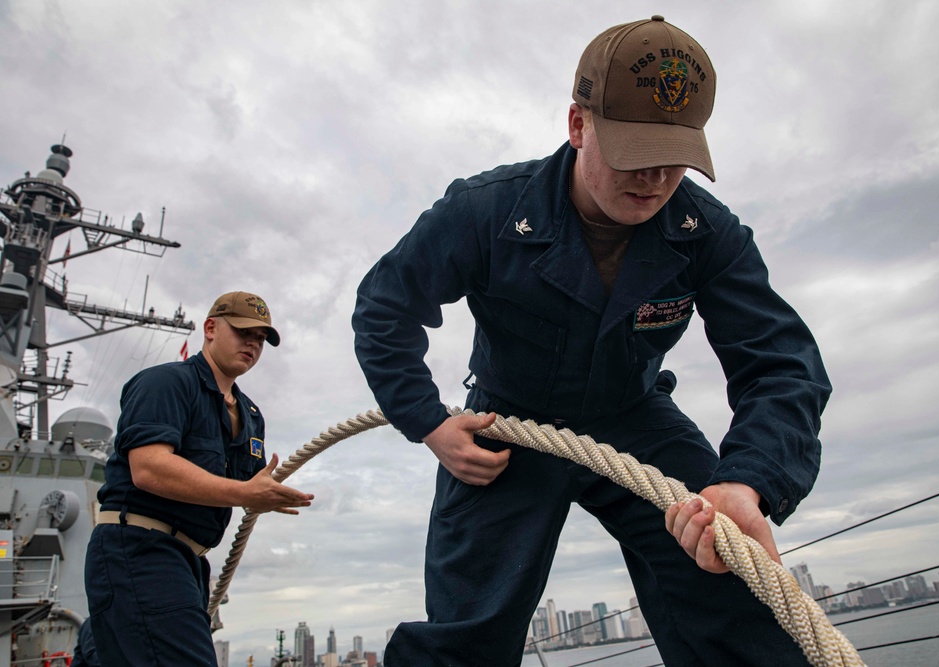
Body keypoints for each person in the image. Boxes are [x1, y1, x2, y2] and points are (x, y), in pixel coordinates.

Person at [353, 15, 831, 667]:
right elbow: (385, 306)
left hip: (635, 416)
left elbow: (783, 367)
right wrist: (430, 422)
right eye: (635, 154)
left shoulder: (709, 234)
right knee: (470, 633)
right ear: (578, 124)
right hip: (507, 422)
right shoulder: (485, 211)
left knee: (732, 588)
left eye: (675, 159)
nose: (655, 180)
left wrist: (748, 480)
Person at [83, 291, 314, 665]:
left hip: (189, 562)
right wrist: (244, 492)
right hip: (140, 550)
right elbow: (149, 468)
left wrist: (264, 493)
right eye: (244, 333)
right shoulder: (165, 383)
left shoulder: (252, 415)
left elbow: (245, 487)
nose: (253, 345)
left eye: (260, 340)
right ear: (210, 328)